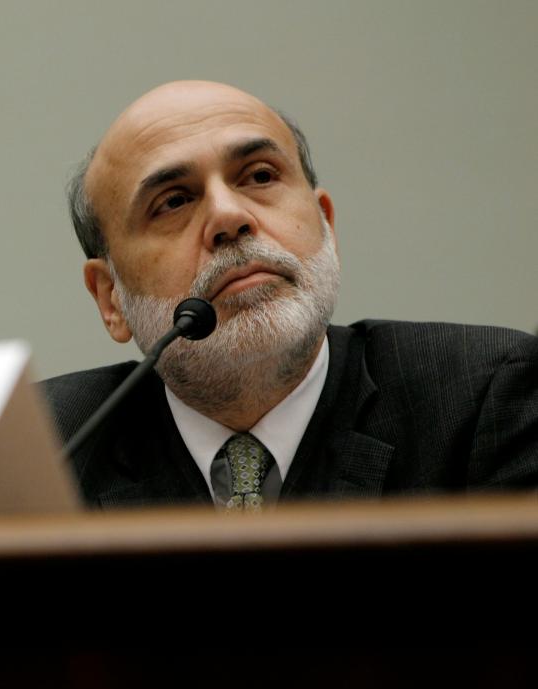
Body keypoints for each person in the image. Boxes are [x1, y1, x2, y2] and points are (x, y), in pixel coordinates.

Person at [43, 80, 538, 509]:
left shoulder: (485, 397)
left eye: (260, 176)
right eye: (173, 202)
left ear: (327, 227)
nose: (229, 217)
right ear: (110, 298)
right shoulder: (50, 451)